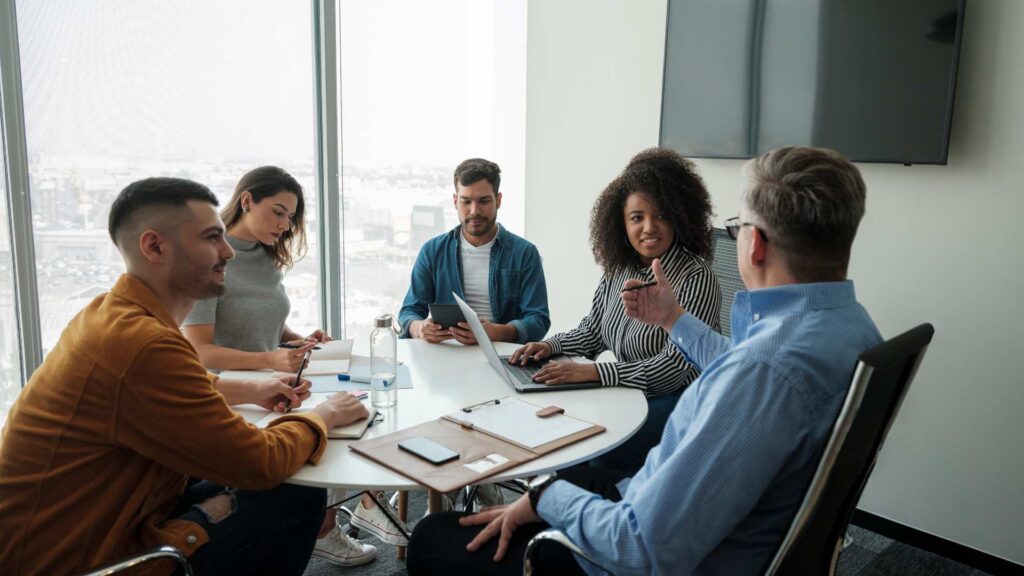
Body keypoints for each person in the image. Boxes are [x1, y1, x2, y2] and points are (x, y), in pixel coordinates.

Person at [406, 146, 883, 575]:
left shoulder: (762, 370)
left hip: (627, 555)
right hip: (718, 525)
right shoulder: (851, 329)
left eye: (737, 229)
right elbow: (731, 362)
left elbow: (638, 546)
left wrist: (544, 496)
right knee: (581, 464)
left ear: (754, 243)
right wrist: (674, 319)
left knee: (431, 538)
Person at [0, 177, 369, 576]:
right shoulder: (142, 345)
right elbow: (258, 462)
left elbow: (167, 385)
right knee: (295, 495)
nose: (228, 251)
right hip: (79, 558)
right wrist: (325, 415)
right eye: (212, 238)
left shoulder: (108, 314)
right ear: (154, 246)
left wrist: (250, 388)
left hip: (109, 516)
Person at [181, 166, 406, 564]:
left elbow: (263, 318)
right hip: (231, 394)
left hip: (270, 381)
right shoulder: (211, 260)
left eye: (291, 217)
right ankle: (330, 524)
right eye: (279, 212)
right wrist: (269, 357)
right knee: (326, 431)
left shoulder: (263, 255)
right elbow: (199, 351)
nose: (286, 225)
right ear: (247, 200)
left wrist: (296, 338)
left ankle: (332, 520)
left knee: (353, 411)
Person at [509, 148, 720, 475]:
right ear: (621, 222)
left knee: (593, 453)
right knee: (564, 437)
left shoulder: (696, 276)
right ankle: (559, 517)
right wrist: (551, 346)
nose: (649, 227)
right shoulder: (619, 269)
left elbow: (674, 369)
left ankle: (593, 519)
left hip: (678, 402)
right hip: (629, 395)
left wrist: (595, 373)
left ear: (680, 215)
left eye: (662, 215)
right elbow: (593, 331)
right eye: (637, 217)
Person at [399, 158, 550, 345]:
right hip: (446, 354)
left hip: (503, 357)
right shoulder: (432, 251)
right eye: (466, 201)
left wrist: (495, 332)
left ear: (498, 200)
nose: (474, 211)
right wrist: (419, 328)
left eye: (484, 201)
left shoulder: (525, 253)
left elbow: (538, 320)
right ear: (455, 201)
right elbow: (408, 312)